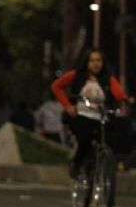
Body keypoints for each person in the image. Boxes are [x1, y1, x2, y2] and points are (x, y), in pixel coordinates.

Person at [51, 49, 128, 178]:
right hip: (80, 115)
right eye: (92, 60)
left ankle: (108, 165)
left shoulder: (107, 78)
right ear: (86, 62)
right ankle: (77, 163)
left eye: (99, 60)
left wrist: (124, 100)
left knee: (115, 134)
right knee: (85, 136)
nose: (96, 64)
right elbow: (56, 86)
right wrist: (68, 106)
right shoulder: (76, 75)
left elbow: (119, 94)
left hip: (100, 116)